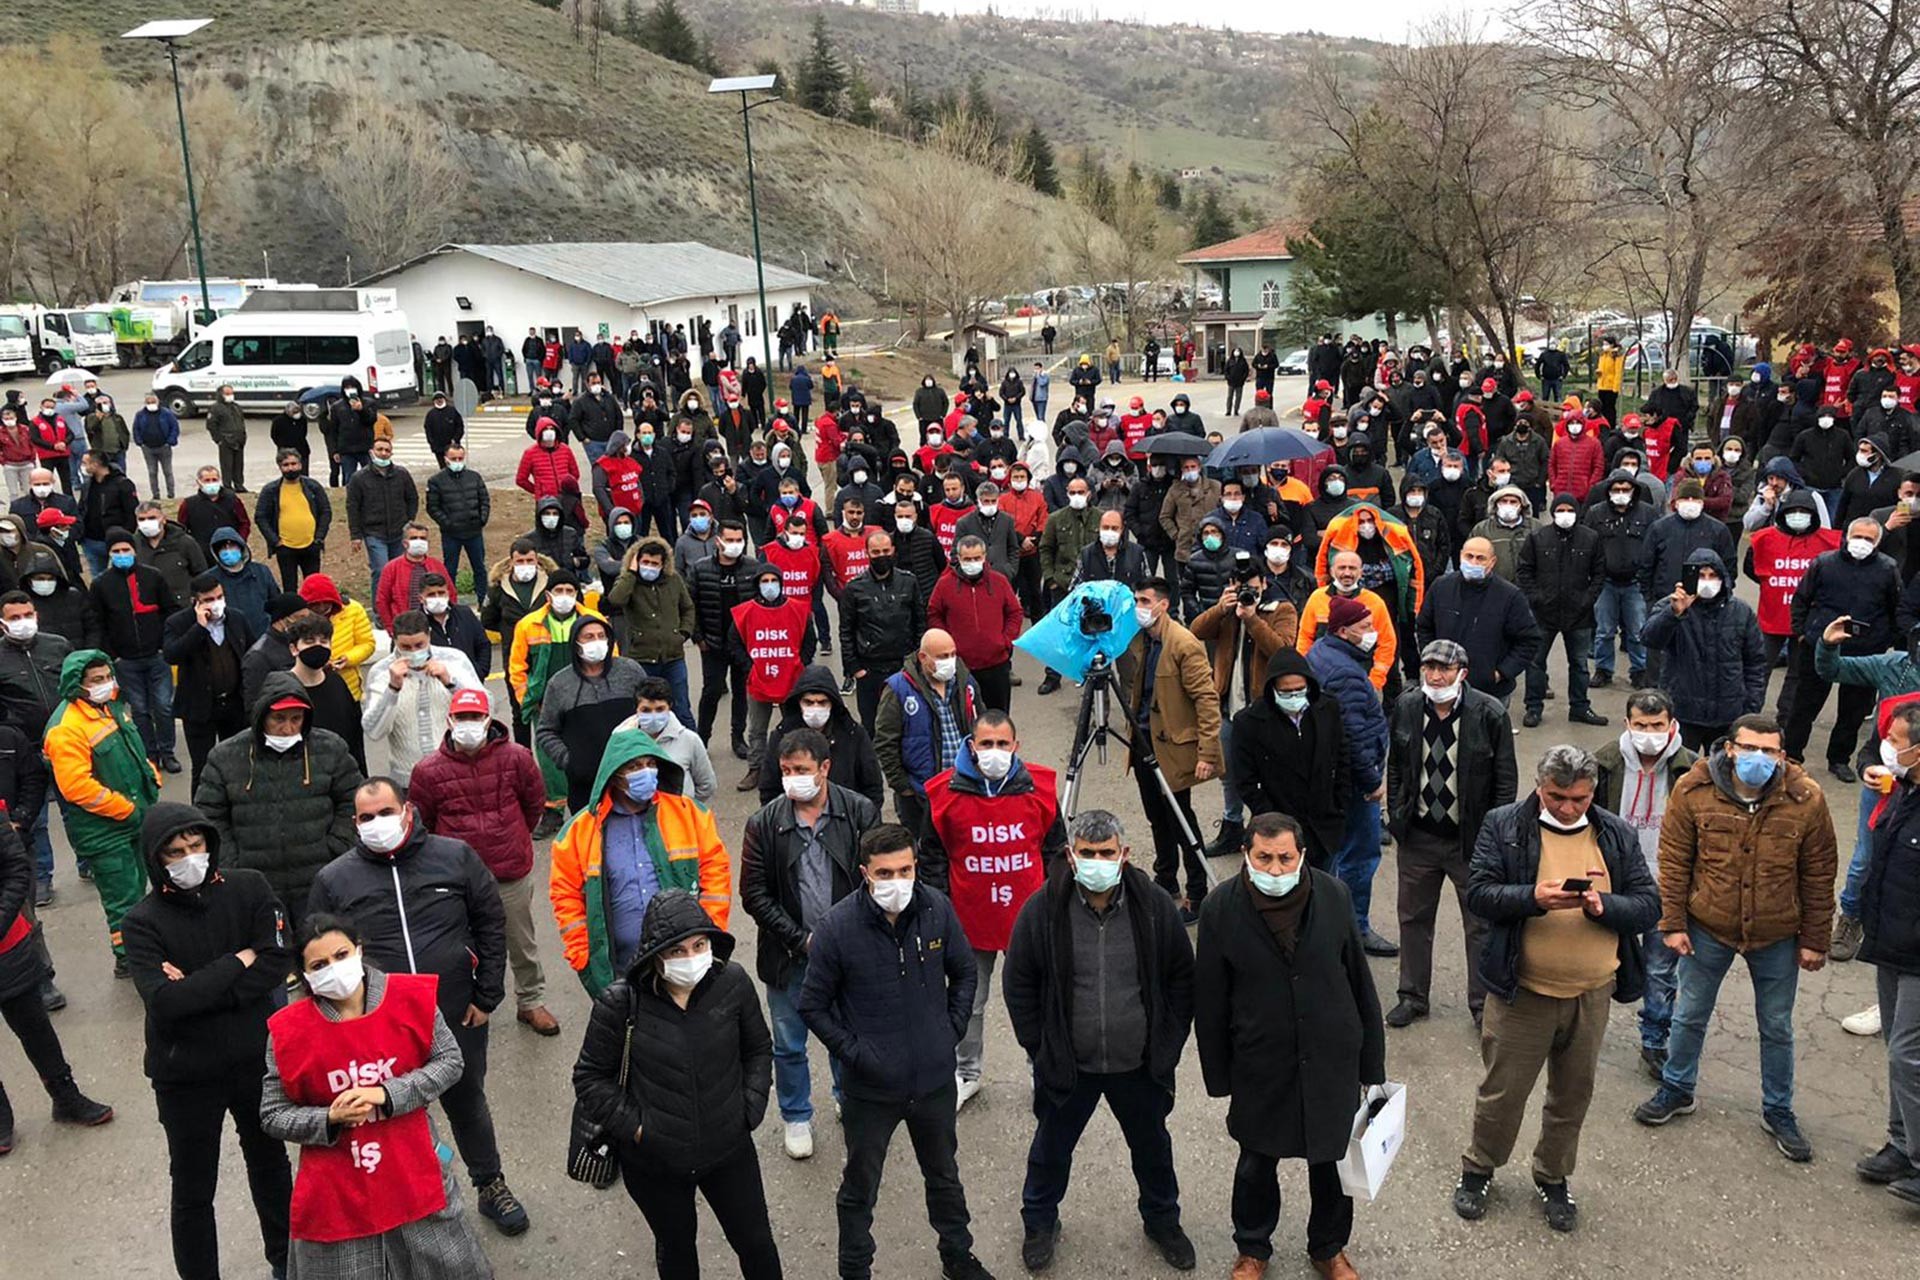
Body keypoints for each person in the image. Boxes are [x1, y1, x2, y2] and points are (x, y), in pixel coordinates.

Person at [1452, 745, 1660, 1233]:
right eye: (1557, 796)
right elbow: (1479, 894)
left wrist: (1603, 906)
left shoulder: (1614, 832)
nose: (1568, 808)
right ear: (1540, 788)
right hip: (1523, 991)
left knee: (1572, 1095)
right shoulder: (1505, 825)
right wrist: (1532, 898)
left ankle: (1553, 1174)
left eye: (1579, 799)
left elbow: (1649, 905)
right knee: (1502, 1093)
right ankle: (1479, 1168)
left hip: (1591, 993)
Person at [308, 777, 528, 1236]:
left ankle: (490, 1184)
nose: (376, 824)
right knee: (395, 1114)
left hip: (456, 1010)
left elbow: (490, 922)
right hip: (379, 1024)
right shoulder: (334, 879)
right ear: (355, 823)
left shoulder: (454, 857)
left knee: (467, 1101)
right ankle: (411, 1196)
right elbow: (320, 951)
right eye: (366, 818)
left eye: (385, 813)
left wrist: (487, 994)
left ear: (407, 811)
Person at [1633, 715, 1836, 1163]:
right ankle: (1677, 1088)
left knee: (1777, 1026)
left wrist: (1815, 939)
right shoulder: (1693, 790)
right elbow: (1673, 862)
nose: (1758, 759)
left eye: (1769, 752)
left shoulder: (1805, 799)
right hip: (1709, 926)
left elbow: (1819, 873)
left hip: (1778, 932)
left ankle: (1778, 1109)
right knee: (1688, 1014)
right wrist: (1673, 923)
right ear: (1729, 748)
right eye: (1750, 749)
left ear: (1782, 756)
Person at [796, 823, 995, 1280]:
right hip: (870, 1090)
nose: (897, 882)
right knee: (860, 1187)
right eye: (885, 873)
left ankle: (957, 1256)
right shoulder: (837, 928)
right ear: (866, 873)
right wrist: (857, 1054)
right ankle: (855, 1269)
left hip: (933, 1081)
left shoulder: (936, 909)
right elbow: (813, 1004)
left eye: (906, 870)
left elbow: (965, 973)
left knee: (944, 1176)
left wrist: (950, 1031)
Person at [1001, 807, 1196, 1271]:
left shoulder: (1153, 907)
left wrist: (1166, 1046)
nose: (1096, 861)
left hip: (1138, 1063)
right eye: (1086, 853)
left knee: (1153, 1150)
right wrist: (1040, 1048)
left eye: (1106, 853)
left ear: (1124, 854)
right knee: (1050, 1150)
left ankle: (1162, 1219)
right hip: (1071, 1066)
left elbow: (1181, 979)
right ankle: (1040, 1222)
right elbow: (1019, 982)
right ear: (1070, 855)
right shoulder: (1043, 909)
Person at [1195, 811, 1385, 1280]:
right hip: (1261, 1061)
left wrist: (1372, 1066)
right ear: (1246, 854)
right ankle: (1252, 1249)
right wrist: (1219, 1077)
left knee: (1331, 1163)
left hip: (1329, 1058)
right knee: (1256, 1163)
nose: (1276, 869)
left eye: (1285, 858)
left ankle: (1328, 1247)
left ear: (1301, 855)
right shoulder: (1221, 908)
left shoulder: (1334, 895)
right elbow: (1210, 1000)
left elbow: (1360, 985)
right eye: (1265, 857)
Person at [262, 914, 495, 1276]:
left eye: (341, 955)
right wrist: (328, 1119)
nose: (334, 969)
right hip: (337, 1189)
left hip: (412, 1167)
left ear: (359, 950)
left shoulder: (410, 999)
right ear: (305, 976)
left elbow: (449, 1061)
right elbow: (273, 1113)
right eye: (320, 964)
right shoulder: (287, 1033)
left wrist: (387, 1094)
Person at [571, 889, 782, 1279]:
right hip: (655, 1163)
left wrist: (749, 1108)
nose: (691, 959)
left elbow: (758, 1048)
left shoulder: (732, 983)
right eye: (677, 951)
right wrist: (639, 1128)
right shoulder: (620, 1003)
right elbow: (590, 1077)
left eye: (699, 945)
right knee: (677, 1251)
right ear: (655, 956)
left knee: (756, 1243)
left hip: (728, 1150)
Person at [122, 802, 292, 1280]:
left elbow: (277, 961)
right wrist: (239, 960)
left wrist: (195, 986)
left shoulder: (249, 887)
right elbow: (164, 1003)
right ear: (156, 861)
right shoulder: (141, 922)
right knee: (194, 1188)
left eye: (196, 846)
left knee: (271, 1164)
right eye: (175, 852)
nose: (189, 857)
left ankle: (285, 1260)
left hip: (254, 1062)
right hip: (186, 1077)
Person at [740, 727, 880, 1159]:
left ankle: (846, 1096)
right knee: (788, 1042)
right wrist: (802, 941)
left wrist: (844, 939)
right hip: (788, 956)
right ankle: (797, 1116)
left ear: (824, 768)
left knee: (845, 1033)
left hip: (847, 954)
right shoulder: (764, 823)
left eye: (801, 769)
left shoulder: (857, 812)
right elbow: (755, 895)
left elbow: (875, 878)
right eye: (785, 770)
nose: (792, 778)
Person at [919, 711, 1067, 1111]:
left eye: (1003, 744)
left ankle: (1042, 1071)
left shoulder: (1040, 789)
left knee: (1038, 1000)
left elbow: (1056, 851)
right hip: (969, 919)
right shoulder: (944, 796)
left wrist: (1055, 903)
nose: (995, 752)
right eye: (986, 744)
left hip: (1030, 919)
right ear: (972, 746)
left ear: (1016, 747)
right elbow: (931, 859)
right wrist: (940, 911)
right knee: (969, 1003)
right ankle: (967, 1073)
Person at [409, 686, 556, 1037]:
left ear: (488, 719)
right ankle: (466, 1004)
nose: (469, 724)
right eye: (462, 717)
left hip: (510, 871)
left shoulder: (517, 758)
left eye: (475, 717)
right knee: (459, 946)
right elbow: (422, 820)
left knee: (521, 941)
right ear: (450, 720)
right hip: (457, 878)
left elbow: (534, 804)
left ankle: (530, 1000)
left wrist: (514, 835)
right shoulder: (428, 771)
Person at [1385, 640, 1516, 1029]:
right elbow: (1396, 767)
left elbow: (1505, 781)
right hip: (1419, 837)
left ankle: (1481, 1005)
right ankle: (1412, 996)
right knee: (1413, 918)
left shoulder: (1489, 713)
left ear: (1463, 671)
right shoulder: (1408, 707)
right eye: (1429, 667)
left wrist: (1495, 837)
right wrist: (1396, 815)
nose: (1435, 676)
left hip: (1470, 841)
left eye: (1444, 668)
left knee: (1480, 925)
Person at [549, 729, 732, 996]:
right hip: (620, 967)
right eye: (634, 766)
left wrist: (709, 937)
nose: (645, 772)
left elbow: (716, 876)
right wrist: (581, 955)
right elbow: (565, 895)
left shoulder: (690, 814)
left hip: (684, 961)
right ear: (614, 774)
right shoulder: (578, 832)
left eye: (651, 764)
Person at [196, 675, 364, 938]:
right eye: (279, 720)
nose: (288, 729)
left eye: (296, 719)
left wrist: (336, 847)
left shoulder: (331, 748)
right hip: (258, 886)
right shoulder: (226, 756)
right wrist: (232, 863)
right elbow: (209, 814)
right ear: (262, 716)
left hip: (318, 881)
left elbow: (353, 800)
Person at [1592, 688, 1697, 1077]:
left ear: (1672, 725)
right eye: (1641, 725)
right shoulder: (1604, 763)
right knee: (1598, 962)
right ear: (1627, 724)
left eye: (1657, 725)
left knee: (1659, 969)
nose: (1649, 732)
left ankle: (1654, 1040)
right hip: (1614, 883)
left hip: (1667, 885)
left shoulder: (1692, 771)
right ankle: (1582, 1031)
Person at [45, 649, 161, 976]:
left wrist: (151, 777)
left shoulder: (108, 709)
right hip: (105, 831)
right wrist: (125, 809)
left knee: (141, 887)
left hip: (134, 820)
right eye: (96, 680)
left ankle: (144, 947)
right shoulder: (66, 728)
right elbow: (76, 786)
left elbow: (133, 749)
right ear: (77, 685)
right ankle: (129, 959)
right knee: (123, 900)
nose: (106, 684)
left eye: (108, 677)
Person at [1118, 579, 1224, 921]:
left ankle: (1197, 892)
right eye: (1137, 599)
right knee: (1156, 818)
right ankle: (1165, 879)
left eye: (1145, 600)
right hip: (1144, 743)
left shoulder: (1183, 644)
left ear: (1163, 605)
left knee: (1181, 820)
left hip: (1172, 750)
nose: (1139, 606)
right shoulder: (1145, 640)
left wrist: (1208, 753)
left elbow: (1206, 699)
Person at [1304, 594, 1394, 954]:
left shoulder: (1322, 654)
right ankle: (1354, 929)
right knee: (1358, 857)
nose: (1371, 632)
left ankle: (1322, 925)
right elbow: (1354, 734)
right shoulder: (1346, 674)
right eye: (1365, 627)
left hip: (1328, 778)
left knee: (1329, 855)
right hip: (1355, 783)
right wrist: (1372, 782)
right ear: (1343, 630)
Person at [1783, 518, 1900, 777]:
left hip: (1865, 650)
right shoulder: (1824, 563)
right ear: (1847, 536)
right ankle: (1791, 755)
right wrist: (1803, 632)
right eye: (1857, 537)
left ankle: (1839, 759)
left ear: (1878, 542)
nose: (1861, 543)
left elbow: (1895, 609)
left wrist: (1885, 640)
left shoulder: (1888, 569)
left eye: (1869, 539)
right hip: (1821, 645)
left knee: (1854, 710)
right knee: (1804, 704)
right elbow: (1801, 598)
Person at [1640, 550, 1768, 749]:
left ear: (1722, 578)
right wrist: (1673, 614)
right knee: (1682, 775)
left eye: (1712, 576)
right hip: (1684, 712)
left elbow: (1755, 663)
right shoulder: (1671, 605)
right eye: (1700, 576)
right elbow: (1650, 639)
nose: (1707, 581)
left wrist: (1750, 708)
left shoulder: (1741, 612)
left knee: (1722, 776)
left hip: (1728, 715)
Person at [89, 527, 181, 772]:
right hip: (125, 660)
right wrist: (111, 655)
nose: (122, 554)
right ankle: (149, 755)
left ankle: (167, 751)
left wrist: (165, 644)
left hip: (157, 655)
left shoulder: (153, 577)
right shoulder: (101, 585)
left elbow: (171, 610)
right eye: (116, 551)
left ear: (134, 550)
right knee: (139, 710)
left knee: (163, 706)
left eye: (126, 550)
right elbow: (97, 621)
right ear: (109, 554)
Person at [874, 627, 980, 841]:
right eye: (942, 657)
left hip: (965, 788)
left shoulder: (965, 681)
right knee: (924, 853)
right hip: (921, 795)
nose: (950, 661)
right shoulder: (898, 689)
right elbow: (885, 742)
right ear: (923, 657)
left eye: (952, 654)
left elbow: (981, 722)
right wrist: (903, 787)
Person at [536, 614, 646, 810]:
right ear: (576, 643)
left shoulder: (631, 671)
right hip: (585, 787)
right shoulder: (559, 684)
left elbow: (650, 712)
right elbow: (546, 731)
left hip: (632, 778)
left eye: (601, 635)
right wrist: (569, 761)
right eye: (589, 637)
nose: (597, 641)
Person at [362, 610, 484, 784]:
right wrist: (392, 689)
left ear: (429, 636)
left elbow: (486, 706)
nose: (413, 652)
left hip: (456, 774)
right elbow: (373, 731)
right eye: (405, 647)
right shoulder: (381, 672)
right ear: (395, 641)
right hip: (408, 779)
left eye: (419, 645)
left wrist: (451, 682)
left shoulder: (454, 660)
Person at [1518, 495, 1608, 728]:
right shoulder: (1538, 538)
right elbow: (1525, 570)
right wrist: (1536, 598)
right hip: (1543, 614)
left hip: (1579, 614)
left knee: (1579, 663)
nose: (1565, 513)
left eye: (1570, 509)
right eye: (1561, 509)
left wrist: (1587, 599)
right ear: (1553, 511)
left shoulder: (1590, 538)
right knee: (1536, 663)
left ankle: (1579, 707)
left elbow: (1599, 573)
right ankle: (1534, 708)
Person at [1416, 537, 1541, 705]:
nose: (1473, 562)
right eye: (1469, 556)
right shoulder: (1441, 587)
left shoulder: (1510, 596)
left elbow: (1529, 640)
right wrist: (1432, 662)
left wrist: (1501, 673)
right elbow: (1424, 627)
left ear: (1492, 562)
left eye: (1480, 558)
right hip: (1442, 687)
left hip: (1490, 692)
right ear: (1460, 556)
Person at [164, 570, 255, 791]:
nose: (216, 604)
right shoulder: (178, 623)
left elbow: (252, 653)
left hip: (234, 704)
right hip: (199, 708)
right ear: (195, 602)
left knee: (238, 762)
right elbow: (171, 654)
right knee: (204, 767)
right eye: (208, 600)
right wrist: (199, 628)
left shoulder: (236, 618)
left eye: (219, 597)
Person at [688, 521, 763, 758]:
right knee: (711, 692)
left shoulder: (752, 567)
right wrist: (698, 637)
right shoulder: (701, 569)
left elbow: (759, 605)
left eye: (739, 540)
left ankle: (737, 737)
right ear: (718, 541)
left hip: (742, 644)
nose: (734, 545)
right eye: (729, 540)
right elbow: (690, 606)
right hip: (712, 642)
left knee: (741, 692)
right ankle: (702, 739)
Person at [604, 536, 696, 726]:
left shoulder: (673, 580)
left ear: (663, 564)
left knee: (681, 709)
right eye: (645, 562)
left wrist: (683, 633)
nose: (650, 567)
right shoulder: (628, 581)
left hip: (673, 657)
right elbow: (615, 600)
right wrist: (630, 573)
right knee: (644, 712)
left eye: (654, 563)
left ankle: (692, 752)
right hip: (642, 657)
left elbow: (688, 607)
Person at [841, 529, 927, 730]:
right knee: (872, 726)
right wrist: (855, 669)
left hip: (904, 667)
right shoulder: (854, 588)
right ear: (867, 553)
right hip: (870, 670)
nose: (882, 556)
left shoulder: (909, 581)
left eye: (886, 551)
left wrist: (917, 661)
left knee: (909, 724)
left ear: (893, 551)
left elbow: (920, 622)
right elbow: (846, 630)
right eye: (876, 552)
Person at [928, 534, 1024, 713]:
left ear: (984, 557)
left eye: (976, 558)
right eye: (967, 559)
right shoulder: (944, 585)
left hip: (996, 664)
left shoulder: (999, 581)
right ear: (958, 558)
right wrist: (946, 645)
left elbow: (1015, 612)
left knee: (998, 717)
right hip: (961, 668)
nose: (972, 562)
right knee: (965, 718)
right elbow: (934, 614)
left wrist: (1005, 640)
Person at [618, 675, 718, 805]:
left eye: (660, 709)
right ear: (636, 709)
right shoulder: (623, 739)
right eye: (646, 710)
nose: (653, 715)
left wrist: (685, 808)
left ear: (670, 707)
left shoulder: (690, 740)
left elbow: (707, 785)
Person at [346, 438, 419, 595]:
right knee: (381, 571)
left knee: (400, 571)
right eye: (380, 449)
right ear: (372, 452)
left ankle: (399, 608)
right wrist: (356, 535)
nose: (383, 453)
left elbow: (412, 498)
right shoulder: (359, 478)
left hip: (399, 531)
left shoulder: (402, 474)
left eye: (387, 450)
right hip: (374, 533)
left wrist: (409, 522)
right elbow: (353, 507)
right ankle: (380, 614)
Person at [255, 449, 330, 590]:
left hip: (311, 545)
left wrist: (319, 537)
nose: (290, 468)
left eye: (294, 464)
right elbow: (260, 517)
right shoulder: (271, 490)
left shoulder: (313, 487)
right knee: (289, 587)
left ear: (300, 465)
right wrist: (275, 541)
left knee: (314, 586)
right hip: (285, 547)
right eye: (286, 465)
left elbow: (325, 511)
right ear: (280, 467)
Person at [426, 442, 490, 606]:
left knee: (480, 568)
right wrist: (447, 524)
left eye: (460, 458)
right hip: (451, 534)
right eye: (453, 458)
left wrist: (481, 519)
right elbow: (432, 507)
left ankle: (483, 600)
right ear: (446, 459)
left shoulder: (474, 477)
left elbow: (484, 500)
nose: (457, 461)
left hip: (474, 532)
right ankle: (450, 603)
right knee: (449, 570)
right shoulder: (436, 481)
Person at [374, 522, 452, 629]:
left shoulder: (437, 566)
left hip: (435, 626)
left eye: (423, 538)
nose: (419, 541)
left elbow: (451, 593)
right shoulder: (391, 568)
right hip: (404, 627)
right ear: (405, 543)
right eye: (414, 538)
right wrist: (391, 629)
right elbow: (382, 600)